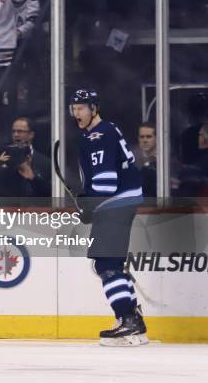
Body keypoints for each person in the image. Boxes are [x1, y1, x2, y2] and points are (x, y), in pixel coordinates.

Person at [69, 89, 147, 346]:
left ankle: (128, 321)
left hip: (116, 202)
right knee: (106, 263)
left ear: (94, 108)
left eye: (82, 107)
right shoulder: (107, 130)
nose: (77, 112)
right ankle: (134, 319)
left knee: (106, 265)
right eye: (74, 108)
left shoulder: (98, 136)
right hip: (122, 201)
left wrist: (88, 205)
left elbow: (105, 183)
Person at [133, 122, 157, 198]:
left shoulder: (165, 158)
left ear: (157, 138)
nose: (145, 140)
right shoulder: (131, 157)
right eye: (142, 137)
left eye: (149, 137)